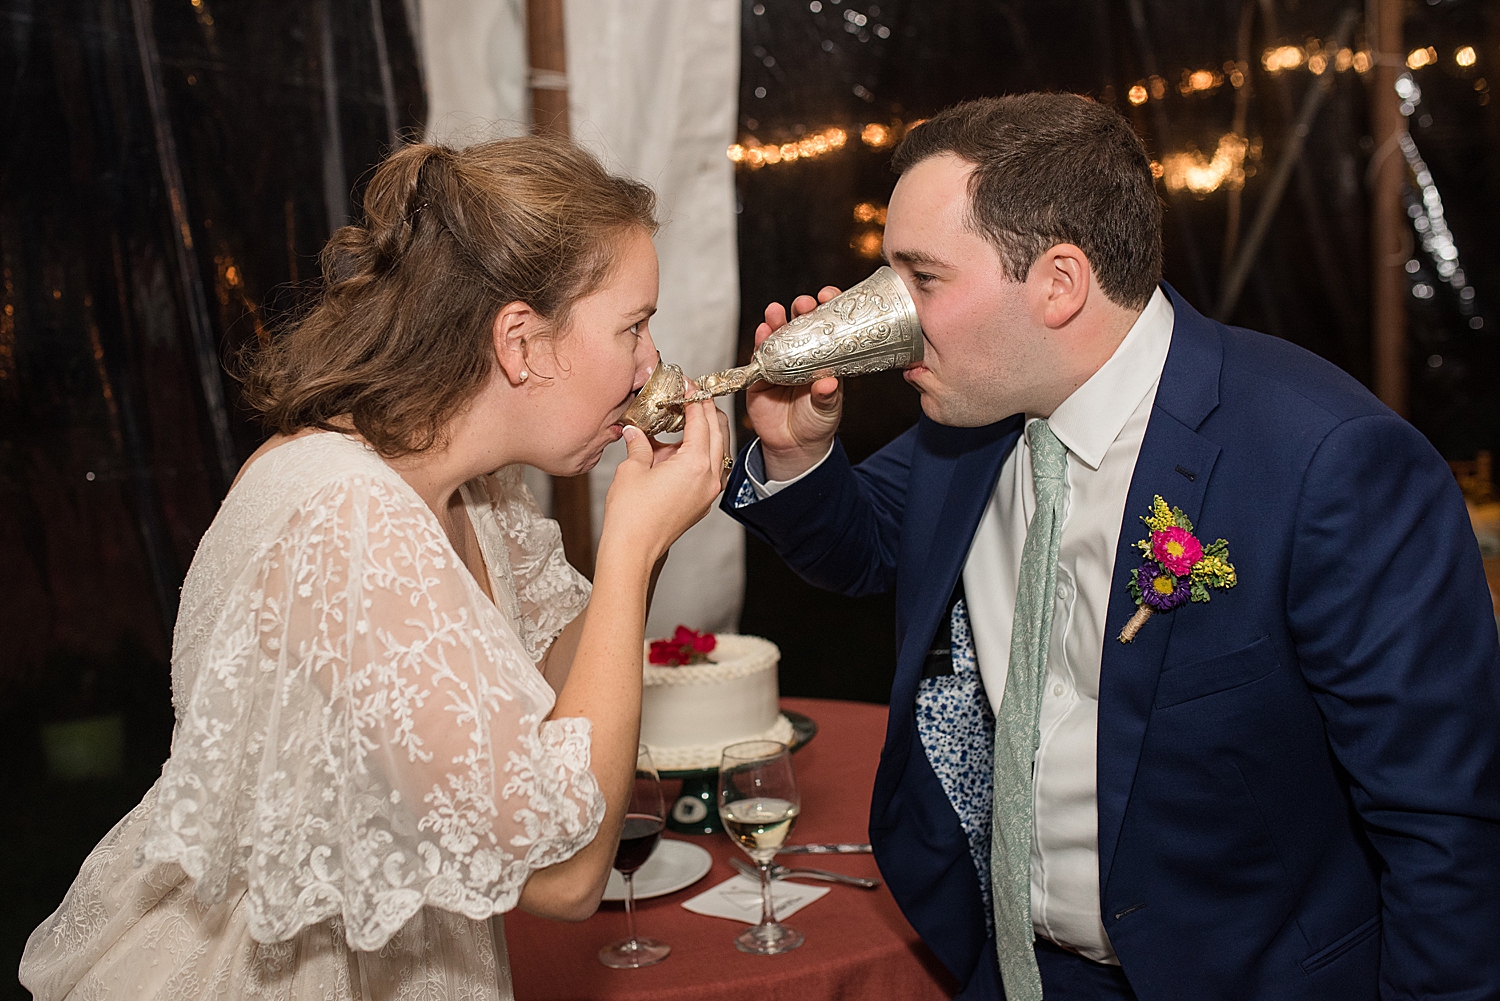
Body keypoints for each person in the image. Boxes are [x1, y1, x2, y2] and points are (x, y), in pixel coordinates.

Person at [725, 94, 1500, 1000]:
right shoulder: (972, 426)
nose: (890, 314)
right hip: (1010, 966)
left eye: (920, 278)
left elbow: (1445, 829)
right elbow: (861, 549)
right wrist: (798, 447)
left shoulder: (1325, 462)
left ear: (1060, 282)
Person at [19, 136, 730, 1001]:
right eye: (633, 325)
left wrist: (649, 528)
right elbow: (566, 871)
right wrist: (629, 548)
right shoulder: (344, 515)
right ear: (521, 343)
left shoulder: (480, 497)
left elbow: (566, 716)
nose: (652, 360)